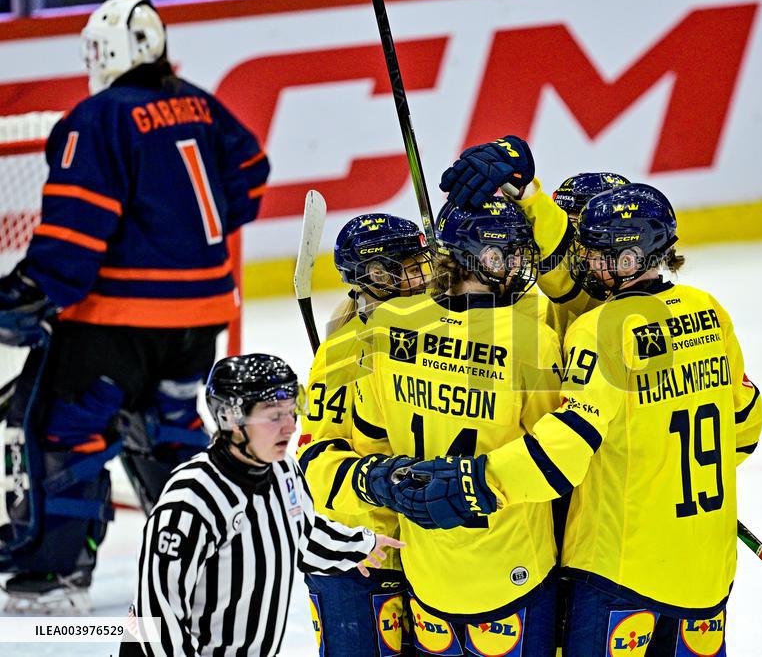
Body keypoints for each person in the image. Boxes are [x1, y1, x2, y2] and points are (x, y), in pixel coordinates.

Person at [398, 142, 762, 655]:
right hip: (706, 564)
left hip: (615, 562)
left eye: (591, 249)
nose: (581, 259)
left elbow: (567, 444)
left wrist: (477, 481)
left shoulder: (592, 327)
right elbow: (742, 429)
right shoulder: (710, 311)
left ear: (628, 256)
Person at [0, 0, 268, 613]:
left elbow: (77, 224)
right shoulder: (200, 102)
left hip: (116, 321)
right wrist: (179, 239)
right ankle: (212, 571)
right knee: (168, 428)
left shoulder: (97, 117)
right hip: (202, 316)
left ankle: (53, 579)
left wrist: (37, 288)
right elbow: (251, 176)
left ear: (108, 52)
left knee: (64, 431)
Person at [349, 197, 564, 656]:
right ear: (486, 259)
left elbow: (371, 444)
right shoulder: (533, 339)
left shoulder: (385, 326)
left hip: (426, 572)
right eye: (510, 254)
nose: (519, 264)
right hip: (513, 567)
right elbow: (553, 458)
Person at [121, 354, 404, 657]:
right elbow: (157, 618)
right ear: (231, 418)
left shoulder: (283, 472)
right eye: (274, 416)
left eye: (292, 412)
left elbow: (299, 532)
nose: (290, 427)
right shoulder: (191, 500)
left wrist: (355, 546)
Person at [296, 214, 432, 657]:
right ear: (375, 275)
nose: (423, 276)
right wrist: (378, 481)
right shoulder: (343, 352)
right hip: (358, 553)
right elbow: (315, 460)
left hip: (418, 548)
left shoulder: (436, 333)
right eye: (408, 267)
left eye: (421, 263)